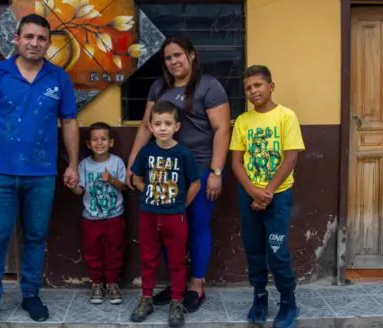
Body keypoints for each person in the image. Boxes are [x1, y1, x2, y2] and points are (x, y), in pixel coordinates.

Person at [0, 13, 80, 328]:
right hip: (0, 174)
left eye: (41, 38)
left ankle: (30, 295)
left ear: (48, 44)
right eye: (29, 36)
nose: (35, 43)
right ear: (16, 39)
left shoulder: (58, 78)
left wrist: (72, 163)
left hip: (42, 174)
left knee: (35, 236)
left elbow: (70, 122)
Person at [126, 35, 231, 311]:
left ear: (191, 55)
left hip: (200, 169)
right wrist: (133, 162)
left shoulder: (210, 86)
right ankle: (177, 286)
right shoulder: (159, 87)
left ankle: (196, 285)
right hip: (163, 171)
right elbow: (146, 127)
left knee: (196, 225)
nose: (173, 61)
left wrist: (216, 172)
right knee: (165, 229)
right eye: (168, 57)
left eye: (178, 55)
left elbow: (222, 129)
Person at [229, 65, 304, 328]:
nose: (253, 91)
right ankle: (259, 298)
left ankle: (288, 302)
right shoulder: (242, 121)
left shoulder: (286, 116)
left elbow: (291, 157)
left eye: (258, 85)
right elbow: (236, 162)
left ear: (271, 86)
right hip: (248, 195)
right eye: (248, 88)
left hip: (278, 196)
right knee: (254, 249)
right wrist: (252, 191)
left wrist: (268, 192)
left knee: (277, 251)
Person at [129, 100, 201, 328]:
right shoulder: (146, 152)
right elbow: (137, 179)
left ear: (176, 127)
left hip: (175, 217)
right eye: (157, 123)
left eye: (167, 123)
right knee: (148, 259)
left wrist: (180, 204)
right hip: (149, 215)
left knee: (177, 261)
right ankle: (146, 299)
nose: (162, 128)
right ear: (150, 127)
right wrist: (151, 192)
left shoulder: (183, 154)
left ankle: (176, 302)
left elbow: (196, 184)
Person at [67, 122, 127, 305]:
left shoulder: (117, 162)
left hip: (114, 217)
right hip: (91, 218)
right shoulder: (84, 165)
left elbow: (124, 187)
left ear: (111, 142)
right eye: (94, 140)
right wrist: (72, 187)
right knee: (92, 252)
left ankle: (112, 284)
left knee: (114, 252)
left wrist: (112, 180)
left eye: (103, 139)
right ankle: (96, 284)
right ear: (88, 144)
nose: (99, 143)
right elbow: (80, 191)